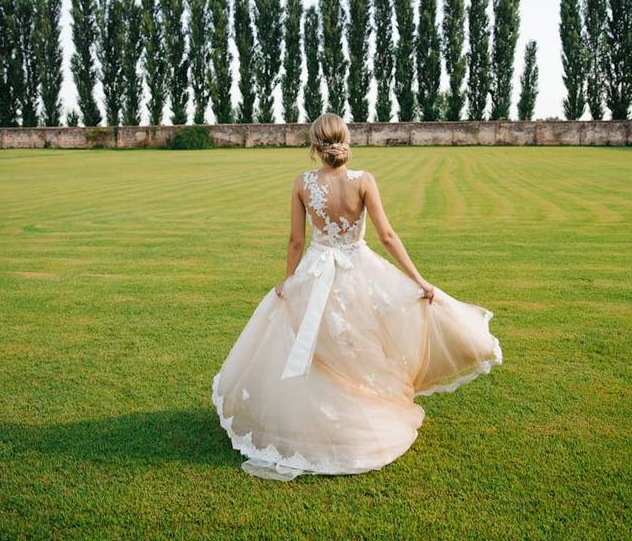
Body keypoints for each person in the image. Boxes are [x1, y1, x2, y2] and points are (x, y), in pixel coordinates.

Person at [211, 112, 502, 481]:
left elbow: (296, 241)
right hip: (357, 271)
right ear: (345, 140)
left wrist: (288, 281)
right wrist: (418, 280)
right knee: (357, 346)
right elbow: (388, 237)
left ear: (314, 145)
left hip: (316, 272)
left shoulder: (302, 183)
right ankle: (357, 418)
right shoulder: (363, 181)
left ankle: (319, 422)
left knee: (317, 348)